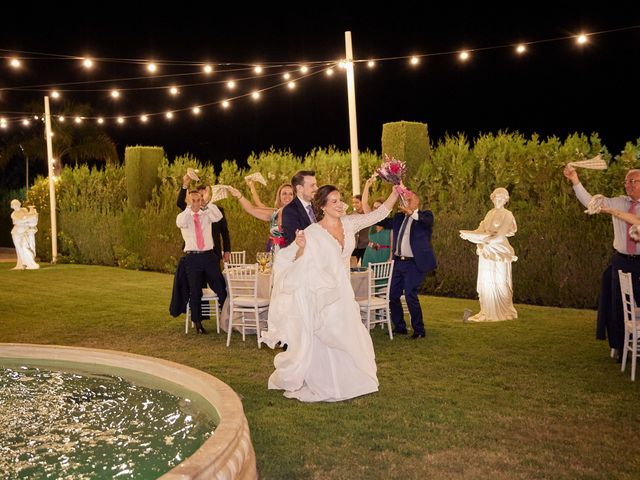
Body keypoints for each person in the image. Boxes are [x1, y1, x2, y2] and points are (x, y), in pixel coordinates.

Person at [261, 183, 400, 402]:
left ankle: (348, 379)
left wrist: (395, 193)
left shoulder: (350, 223)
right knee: (330, 335)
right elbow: (291, 259)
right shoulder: (313, 232)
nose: (340, 204)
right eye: (334, 201)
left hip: (345, 290)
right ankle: (325, 380)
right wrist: (300, 246)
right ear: (323, 207)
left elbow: (379, 214)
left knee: (349, 333)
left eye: (340, 200)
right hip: (325, 294)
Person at [564, 165, 640, 359]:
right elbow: (591, 202)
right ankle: (620, 347)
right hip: (622, 261)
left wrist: (612, 211)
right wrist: (575, 180)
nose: (628, 185)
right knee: (619, 306)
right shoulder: (619, 202)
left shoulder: (619, 209)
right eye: (626, 181)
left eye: (633, 181)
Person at [381, 191, 437, 339]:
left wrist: (411, 212)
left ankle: (419, 330)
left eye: (408, 199)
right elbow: (383, 222)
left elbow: (426, 222)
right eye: (404, 200)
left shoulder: (425, 215)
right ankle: (400, 327)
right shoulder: (399, 217)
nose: (405, 201)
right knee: (392, 295)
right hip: (399, 262)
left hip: (414, 263)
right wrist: (369, 213)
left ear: (416, 201)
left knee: (410, 294)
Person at [460, 188, 518, 322]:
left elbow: (501, 234)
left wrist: (482, 240)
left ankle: (504, 311)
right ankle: (487, 310)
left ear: (505, 200)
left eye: (501, 198)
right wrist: (470, 235)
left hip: (499, 251)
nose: (498, 200)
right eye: (496, 197)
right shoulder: (490, 213)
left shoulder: (507, 215)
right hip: (486, 250)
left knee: (501, 282)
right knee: (485, 281)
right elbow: (481, 229)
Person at [176, 190, 227, 334]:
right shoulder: (183, 217)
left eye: (199, 200)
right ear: (188, 201)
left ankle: (226, 318)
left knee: (220, 286)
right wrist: (188, 207)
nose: (197, 203)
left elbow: (219, 216)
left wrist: (207, 204)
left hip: (209, 256)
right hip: (192, 258)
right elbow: (180, 222)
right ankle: (198, 324)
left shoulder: (207, 214)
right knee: (195, 290)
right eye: (194, 200)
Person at [227, 180, 295, 254]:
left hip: (293, 252)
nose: (287, 196)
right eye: (284, 193)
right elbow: (251, 209)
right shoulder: (274, 213)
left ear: (294, 197)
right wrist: (239, 195)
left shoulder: (300, 214)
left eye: (290, 194)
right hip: (275, 251)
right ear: (279, 196)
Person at [178, 173, 231, 263]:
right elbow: (180, 202)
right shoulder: (190, 209)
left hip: (213, 253)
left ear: (209, 196)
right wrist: (185, 185)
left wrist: (227, 250)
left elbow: (225, 232)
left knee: (215, 277)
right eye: (200, 196)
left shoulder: (217, 211)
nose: (201, 199)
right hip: (193, 254)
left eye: (204, 195)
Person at [280, 170, 319, 247]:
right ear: (300, 188)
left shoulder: (318, 206)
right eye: (312, 185)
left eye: (316, 185)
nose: (316, 188)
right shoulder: (289, 211)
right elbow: (293, 242)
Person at [361, 198, 393, 268]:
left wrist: (390, 257)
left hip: (384, 255)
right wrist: (367, 186)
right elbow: (364, 203)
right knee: (367, 277)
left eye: (379, 208)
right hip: (369, 254)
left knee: (382, 276)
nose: (376, 210)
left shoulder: (391, 223)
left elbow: (392, 243)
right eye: (374, 208)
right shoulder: (372, 221)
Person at [10, 199, 39, 270]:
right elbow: (19, 221)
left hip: (25, 232)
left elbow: (29, 217)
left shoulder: (24, 210)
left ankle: (29, 263)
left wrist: (29, 218)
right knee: (19, 249)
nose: (15, 207)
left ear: (19, 204)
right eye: (13, 206)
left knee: (25, 247)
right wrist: (28, 219)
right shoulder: (13, 214)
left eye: (16, 205)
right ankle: (22, 264)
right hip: (16, 233)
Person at [351, 194, 370, 264]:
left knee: (365, 267)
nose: (354, 204)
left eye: (357, 202)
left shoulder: (367, 214)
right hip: (354, 245)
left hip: (366, 245)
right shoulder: (351, 215)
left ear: (362, 202)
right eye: (353, 203)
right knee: (352, 267)